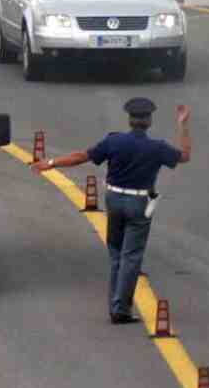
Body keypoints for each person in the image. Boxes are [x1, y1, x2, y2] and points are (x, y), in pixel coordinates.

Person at [32, 98, 193, 324]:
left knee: (116, 253)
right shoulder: (157, 147)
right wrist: (183, 124)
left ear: (130, 120)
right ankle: (120, 309)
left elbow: (81, 157)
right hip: (139, 203)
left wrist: (50, 162)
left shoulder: (114, 141)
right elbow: (184, 156)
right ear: (149, 121)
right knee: (131, 257)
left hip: (114, 200)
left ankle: (115, 304)